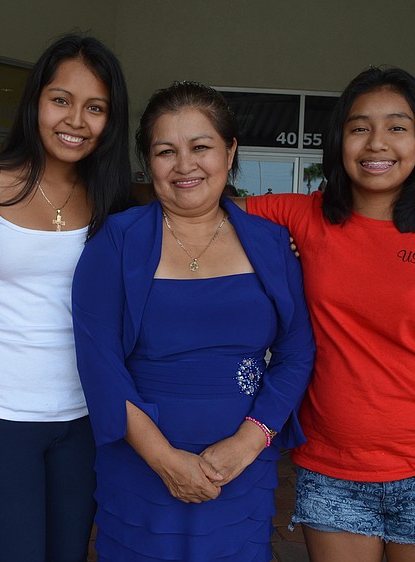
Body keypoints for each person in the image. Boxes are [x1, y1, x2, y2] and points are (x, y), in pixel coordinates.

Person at [239, 67, 415, 562]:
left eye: (396, 127)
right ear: (338, 141)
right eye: (359, 127)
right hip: (331, 472)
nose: (376, 143)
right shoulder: (303, 215)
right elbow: (198, 205)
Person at [71, 81, 315, 561]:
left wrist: (249, 442)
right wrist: (165, 461)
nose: (185, 165)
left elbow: (297, 351)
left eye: (201, 147)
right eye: (166, 151)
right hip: (140, 466)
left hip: (242, 471)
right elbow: (99, 366)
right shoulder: (115, 244)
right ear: (148, 162)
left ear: (230, 151)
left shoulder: (271, 244)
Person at [0, 34, 132, 561]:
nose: (76, 119)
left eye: (95, 108)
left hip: (87, 418)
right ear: (36, 103)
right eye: (61, 100)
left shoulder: (113, 201)